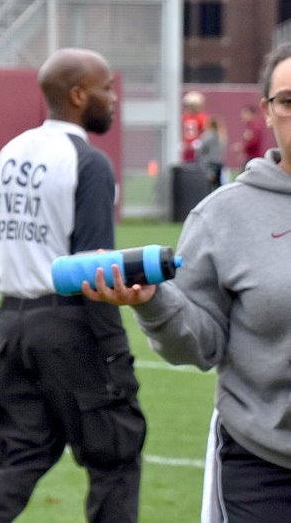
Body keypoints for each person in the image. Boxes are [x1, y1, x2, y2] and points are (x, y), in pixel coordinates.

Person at [82, 41, 291, 522]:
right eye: (287, 100)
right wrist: (153, 302)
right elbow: (197, 345)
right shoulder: (224, 216)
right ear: (267, 111)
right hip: (265, 467)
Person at [0, 48, 146, 523]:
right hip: (69, 323)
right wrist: (115, 351)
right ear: (78, 95)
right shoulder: (87, 162)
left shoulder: (9, 153)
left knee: (18, 459)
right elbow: (96, 270)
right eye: (105, 88)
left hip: (10, 324)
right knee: (115, 456)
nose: (113, 99)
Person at [194, 115, 227, 190]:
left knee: (208, 185)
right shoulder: (221, 135)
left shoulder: (208, 135)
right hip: (219, 162)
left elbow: (201, 148)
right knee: (218, 185)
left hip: (209, 163)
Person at [233, 104, 266, 169]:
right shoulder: (251, 126)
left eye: (244, 113)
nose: (242, 116)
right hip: (251, 157)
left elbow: (253, 141)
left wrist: (242, 147)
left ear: (250, 114)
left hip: (253, 158)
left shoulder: (255, 126)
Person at [182, 90, 209, 163]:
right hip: (187, 146)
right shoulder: (185, 116)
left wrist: (199, 142)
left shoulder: (202, 117)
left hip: (197, 146)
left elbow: (205, 132)